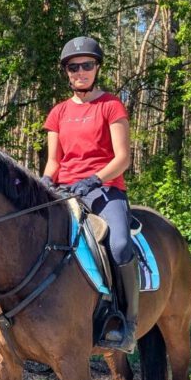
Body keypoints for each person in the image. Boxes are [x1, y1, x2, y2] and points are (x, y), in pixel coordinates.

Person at [41, 36, 139, 353]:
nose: (80, 72)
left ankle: (126, 322)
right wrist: (44, 183)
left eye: (86, 65)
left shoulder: (111, 106)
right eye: (74, 67)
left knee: (119, 245)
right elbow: (54, 161)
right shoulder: (58, 112)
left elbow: (122, 158)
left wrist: (94, 179)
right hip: (65, 191)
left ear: (97, 68)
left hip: (105, 190)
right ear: (66, 72)